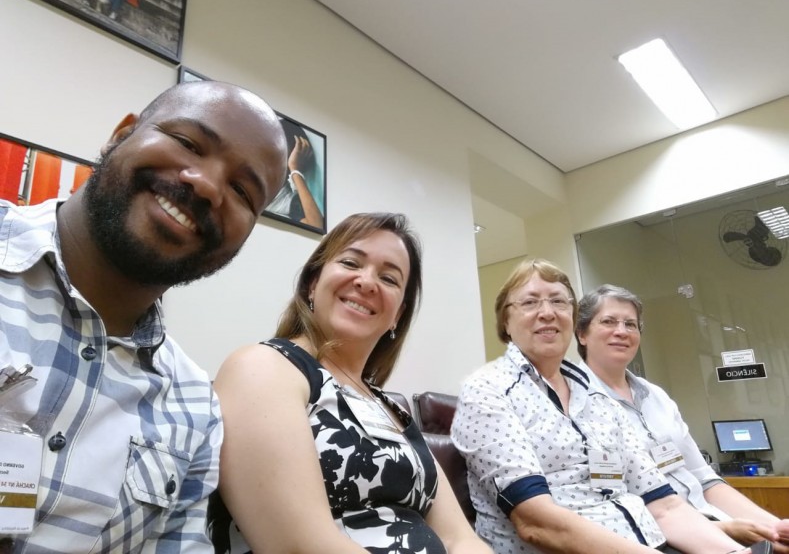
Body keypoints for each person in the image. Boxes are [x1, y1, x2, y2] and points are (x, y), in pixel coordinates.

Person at [0, 80, 288, 552]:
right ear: (121, 134)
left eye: (241, 190)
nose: (208, 185)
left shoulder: (195, 408)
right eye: (189, 143)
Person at [209, 212, 492, 554]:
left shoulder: (391, 409)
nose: (367, 282)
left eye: (389, 278)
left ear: (397, 315)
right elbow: (299, 546)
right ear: (313, 283)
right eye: (350, 262)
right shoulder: (264, 367)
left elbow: (459, 537)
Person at [450, 258, 761, 554]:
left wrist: (731, 550)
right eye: (530, 302)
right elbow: (537, 523)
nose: (547, 312)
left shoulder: (599, 400)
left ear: (572, 318)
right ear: (505, 320)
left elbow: (665, 506)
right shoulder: (488, 390)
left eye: (559, 301)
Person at [575, 284, 789, 552]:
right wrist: (721, 530)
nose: (621, 331)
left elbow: (705, 479)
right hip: (657, 542)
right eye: (608, 321)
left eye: (630, 324)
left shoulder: (657, 396)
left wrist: (775, 528)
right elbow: (605, 507)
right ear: (582, 333)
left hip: (715, 524)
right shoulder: (573, 405)